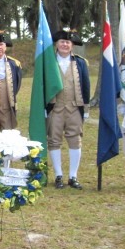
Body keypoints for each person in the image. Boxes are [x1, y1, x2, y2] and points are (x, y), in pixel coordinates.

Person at [47, 29, 90, 190]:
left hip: (74, 107)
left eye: (68, 42)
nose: (65, 44)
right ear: (56, 44)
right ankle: (58, 175)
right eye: (62, 42)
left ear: (72, 45)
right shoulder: (49, 61)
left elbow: (85, 85)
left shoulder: (80, 62)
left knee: (75, 140)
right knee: (54, 140)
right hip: (55, 107)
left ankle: (73, 176)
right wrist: (45, 107)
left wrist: (85, 108)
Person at [0, 30, 22, 130]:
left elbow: (17, 85)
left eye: (1, 44)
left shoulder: (15, 64)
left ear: (5, 46)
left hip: (7, 108)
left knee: (8, 137)